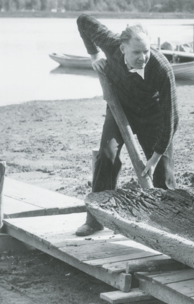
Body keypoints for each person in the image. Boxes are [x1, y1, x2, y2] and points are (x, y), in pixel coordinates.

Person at [75, 14, 179, 236]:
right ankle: (95, 219)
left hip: (153, 114)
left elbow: (171, 119)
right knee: (106, 156)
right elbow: (83, 21)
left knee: (163, 171)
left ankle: (168, 226)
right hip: (120, 108)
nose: (143, 57)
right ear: (122, 48)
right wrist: (94, 56)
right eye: (136, 52)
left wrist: (154, 158)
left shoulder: (161, 69)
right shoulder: (111, 44)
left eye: (146, 51)